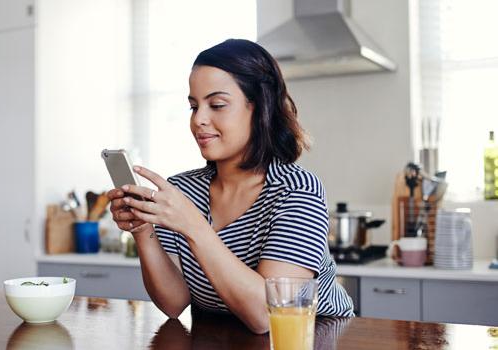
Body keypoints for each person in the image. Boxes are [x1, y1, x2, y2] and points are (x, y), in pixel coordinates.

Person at [107, 38, 354, 334]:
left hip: (314, 337)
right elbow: (173, 303)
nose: (199, 120)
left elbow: (269, 317)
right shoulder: (183, 190)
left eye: (217, 105)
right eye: (193, 106)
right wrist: (142, 229)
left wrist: (193, 225)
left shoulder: (297, 189)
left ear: (259, 106)